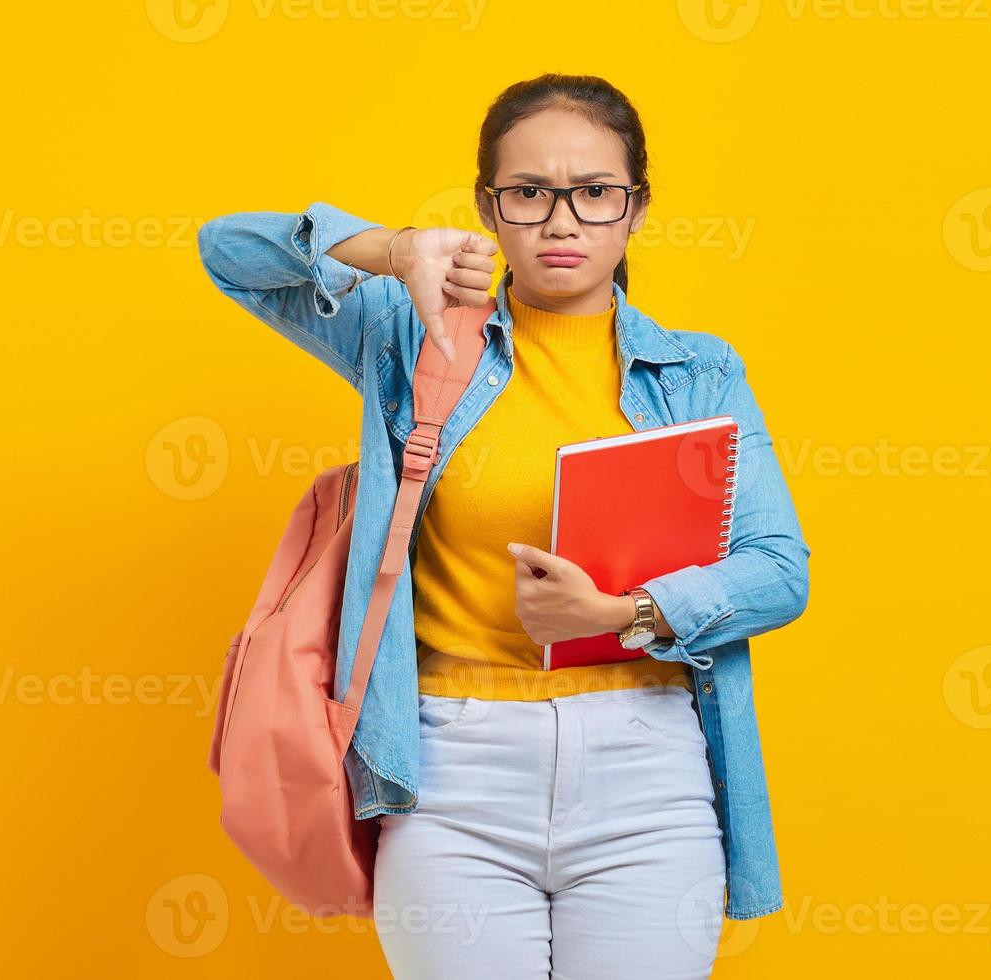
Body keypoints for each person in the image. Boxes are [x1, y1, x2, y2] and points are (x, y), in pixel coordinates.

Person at [197, 72, 810, 980]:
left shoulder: (699, 373)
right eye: (529, 193)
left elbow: (778, 569)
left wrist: (626, 615)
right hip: (450, 771)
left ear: (635, 209)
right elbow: (227, 251)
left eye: (596, 194)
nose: (562, 222)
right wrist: (392, 249)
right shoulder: (413, 336)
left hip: (646, 773)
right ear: (489, 205)